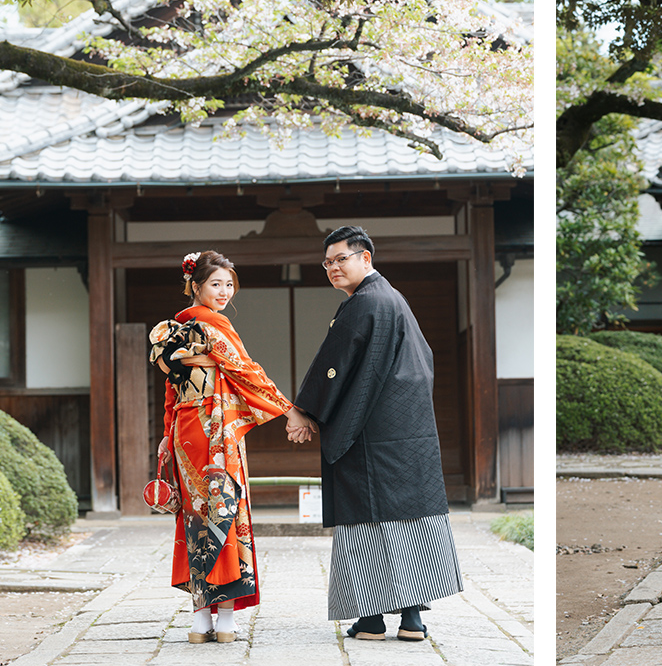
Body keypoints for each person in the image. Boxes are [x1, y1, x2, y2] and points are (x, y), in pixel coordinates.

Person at [289, 225, 463, 641]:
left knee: (366, 523)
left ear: (365, 257)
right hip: (407, 433)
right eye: (327, 262)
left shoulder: (366, 303)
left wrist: (302, 410)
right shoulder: (393, 299)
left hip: (370, 436)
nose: (333, 268)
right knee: (409, 526)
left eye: (341, 259)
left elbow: (334, 365)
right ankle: (412, 620)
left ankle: (369, 620)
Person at [150, 250, 315, 644]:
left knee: (194, 517)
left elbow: (172, 391)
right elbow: (247, 372)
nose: (224, 292)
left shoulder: (169, 330)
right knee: (226, 510)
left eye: (229, 285)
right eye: (215, 284)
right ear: (195, 285)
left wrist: (167, 432)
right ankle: (224, 619)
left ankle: (198, 621)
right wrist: (289, 410)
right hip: (216, 430)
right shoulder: (214, 325)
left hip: (185, 430)